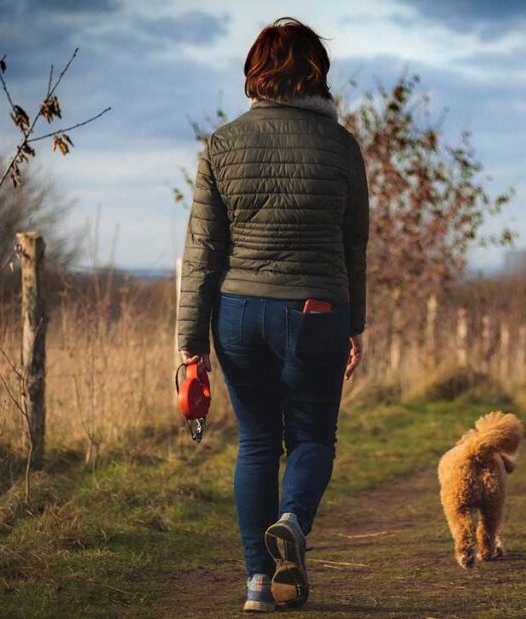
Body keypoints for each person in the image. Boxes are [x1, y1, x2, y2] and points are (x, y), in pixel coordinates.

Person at [176, 17, 368, 613]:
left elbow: (202, 251)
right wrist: (355, 323)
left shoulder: (222, 144)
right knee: (312, 437)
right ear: (317, 74)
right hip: (315, 310)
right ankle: (292, 521)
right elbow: (353, 244)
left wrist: (190, 342)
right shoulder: (341, 146)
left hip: (236, 314)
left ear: (256, 74)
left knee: (257, 443)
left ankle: (258, 583)